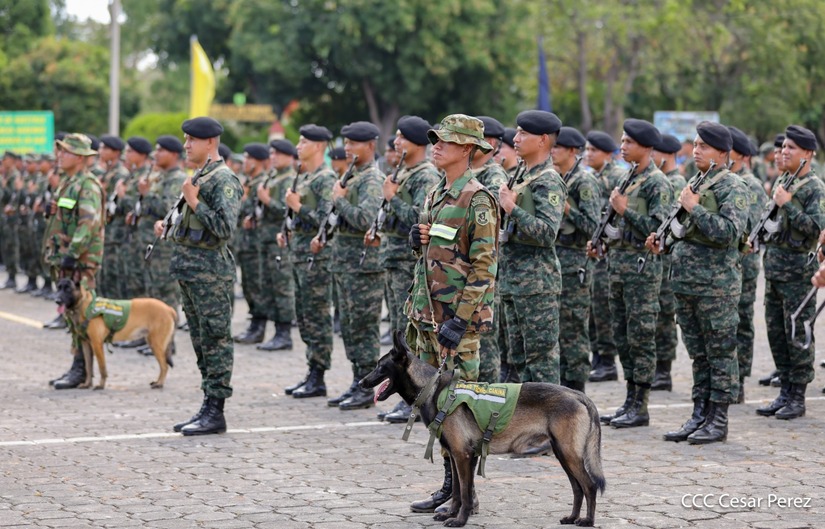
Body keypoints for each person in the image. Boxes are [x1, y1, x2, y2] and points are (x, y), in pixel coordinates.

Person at [405, 114, 498, 514]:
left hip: (457, 323)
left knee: (460, 408)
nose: (437, 146)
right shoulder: (435, 193)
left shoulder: (477, 199)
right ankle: (449, 486)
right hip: (428, 318)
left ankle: (468, 495)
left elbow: (484, 267)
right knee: (436, 406)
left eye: (446, 141)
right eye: (436, 140)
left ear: (468, 150)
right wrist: (417, 242)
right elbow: (437, 256)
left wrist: (460, 319)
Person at [650, 122, 748, 444]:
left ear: (722, 153)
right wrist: (661, 242)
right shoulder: (695, 182)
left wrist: (694, 208)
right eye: (694, 145)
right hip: (687, 285)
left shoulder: (731, 186)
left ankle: (718, 419)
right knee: (698, 354)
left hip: (715, 287)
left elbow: (729, 233)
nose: (695, 151)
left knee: (720, 353)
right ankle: (699, 413)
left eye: (703, 146)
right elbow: (681, 230)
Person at [158, 117, 242, 436]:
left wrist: (193, 200)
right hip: (191, 271)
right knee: (200, 340)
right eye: (185, 139)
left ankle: (216, 409)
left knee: (216, 339)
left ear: (210, 143)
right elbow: (192, 221)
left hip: (211, 273)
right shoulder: (200, 175)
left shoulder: (224, 179)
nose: (186, 145)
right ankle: (208, 402)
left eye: (192, 140)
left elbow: (223, 228)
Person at [588, 119, 671, 429]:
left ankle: (642, 403)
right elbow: (617, 227)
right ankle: (629, 400)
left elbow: (658, 228)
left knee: (640, 338)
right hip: (618, 269)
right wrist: (601, 243)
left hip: (642, 272)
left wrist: (626, 211)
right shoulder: (625, 178)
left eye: (629, 143)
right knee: (621, 337)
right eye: (621, 142)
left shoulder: (656, 182)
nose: (622, 147)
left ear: (646, 147)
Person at [366, 115, 439, 422]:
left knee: (408, 335)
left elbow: (420, 217)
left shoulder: (424, 175)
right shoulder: (405, 173)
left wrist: (392, 199)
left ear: (415, 143)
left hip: (408, 263)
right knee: (402, 330)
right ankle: (408, 395)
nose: (395, 142)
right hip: (393, 260)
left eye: (401, 138)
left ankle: (413, 397)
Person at [756, 125, 825, 421]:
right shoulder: (785, 179)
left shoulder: (814, 187)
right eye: (784, 147)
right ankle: (784, 390)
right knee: (777, 333)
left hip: (799, 273)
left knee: (798, 333)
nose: (784, 152)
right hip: (774, 271)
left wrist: (787, 205)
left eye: (791, 148)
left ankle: (797, 396)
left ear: (808, 153)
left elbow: (816, 229)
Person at [314, 121, 385, 411]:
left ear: (370, 146)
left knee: (363, 329)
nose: (347, 148)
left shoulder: (371, 179)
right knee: (350, 328)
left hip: (363, 267)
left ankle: (367, 388)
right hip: (344, 264)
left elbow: (365, 219)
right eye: (345, 143)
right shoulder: (350, 176)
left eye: (353, 143)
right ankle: (357, 381)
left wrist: (340, 202)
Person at [498, 110, 566, 384]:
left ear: (542, 140)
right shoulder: (520, 176)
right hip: (514, 282)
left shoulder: (548, 181)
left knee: (541, 361)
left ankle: (553, 423)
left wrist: (511, 208)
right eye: (516, 132)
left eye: (523, 133)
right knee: (518, 359)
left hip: (537, 285)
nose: (515, 138)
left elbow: (547, 233)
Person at [42, 134, 104, 389]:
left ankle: (82, 370)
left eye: (65, 152)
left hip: (79, 261)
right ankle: (78, 366)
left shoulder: (86, 185)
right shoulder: (67, 183)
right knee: (72, 316)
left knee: (82, 315)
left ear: (79, 157)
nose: (60, 156)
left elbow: (88, 223)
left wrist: (73, 252)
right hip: (66, 259)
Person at [278, 124, 337, 399]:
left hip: (317, 258)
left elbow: (327, 220)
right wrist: (287, 228)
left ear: (319, 146)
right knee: (303, 315)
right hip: (299, 255)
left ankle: (319, 374)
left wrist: (297, 207)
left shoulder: (325, 179)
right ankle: (311, 370)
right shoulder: (303, 177)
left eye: (304, 142)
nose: (298, 146)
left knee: (316, 315)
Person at [552, 126, 600, 392]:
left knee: (574, 331)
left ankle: (577, 390)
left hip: (575, 265)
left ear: (572, 151)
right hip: (557, 262)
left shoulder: (583, 182)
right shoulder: (557, 178)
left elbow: (593, 225)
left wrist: (567, 208)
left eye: (557, 147)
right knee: (558, 331)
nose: (552, 151)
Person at [727, 126, 768, 402]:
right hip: (730, 263)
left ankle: (739, 379)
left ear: (739, 155)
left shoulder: (749, 184)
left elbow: (749, 229)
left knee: (741, 322)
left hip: (745, 263)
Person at [472, 116, 508, 384]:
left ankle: (490, 404)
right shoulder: (471, 176)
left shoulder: (493, 178)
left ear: (491, 143)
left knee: (486, 345)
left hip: (486, 268)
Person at [139, 135, 186, 341]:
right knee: (152, 292)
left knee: (166, 294)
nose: (156, 154)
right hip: (153, 243)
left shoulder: (177, 180)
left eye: (161, 150)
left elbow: (170, 211)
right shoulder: (160, 178)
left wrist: (147, 194)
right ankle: (152, 336)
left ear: (174, 154)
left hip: (167, 247)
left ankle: (167, 342)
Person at [584, 131, 622, 383]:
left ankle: (607, 360)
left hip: (611, 253)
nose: (588, 154)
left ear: (608, 154)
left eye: (593, 150)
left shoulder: (616, 177)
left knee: (604, 308)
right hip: (596, 251)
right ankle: (598, 356)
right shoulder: (593, 177)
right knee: (594, 309)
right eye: (586, 150)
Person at [649, 133, 686, 391]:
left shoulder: (677, 182)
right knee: (659, 315)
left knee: (665, 317)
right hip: (659, 259)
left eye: (656, 153)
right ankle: (658, 368)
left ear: (667, 154)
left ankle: (665, 369)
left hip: (670, 260)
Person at [255, 139, 298, 351]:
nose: (273, 157)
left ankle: (284, 333)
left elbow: (288, 209)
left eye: (277, 154)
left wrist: (267, 200)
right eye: (271, 153)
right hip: (266, 239)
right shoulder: (272, 176)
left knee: (282, 287)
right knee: (268, 286)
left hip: (280, 240)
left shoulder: (290, 179)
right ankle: (274, 330)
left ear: (289, 156)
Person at [234, 143, 272, 345]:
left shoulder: (262, 183)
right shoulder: (248, 183)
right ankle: (253, 325)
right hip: (246, 244)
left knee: (257, 287)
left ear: (258, 161)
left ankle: (259, 327)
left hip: (257, 245)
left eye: (249, 159)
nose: (245, 162)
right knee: (248, 286)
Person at [97, 134, 130, 299]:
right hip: (106, 230)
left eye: (104, 148)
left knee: (113, 278)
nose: (100, 151)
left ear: (116, 152)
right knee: (104, 277)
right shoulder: (107, 173)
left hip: (116, 233)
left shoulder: (120, 174)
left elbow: (119, 205)